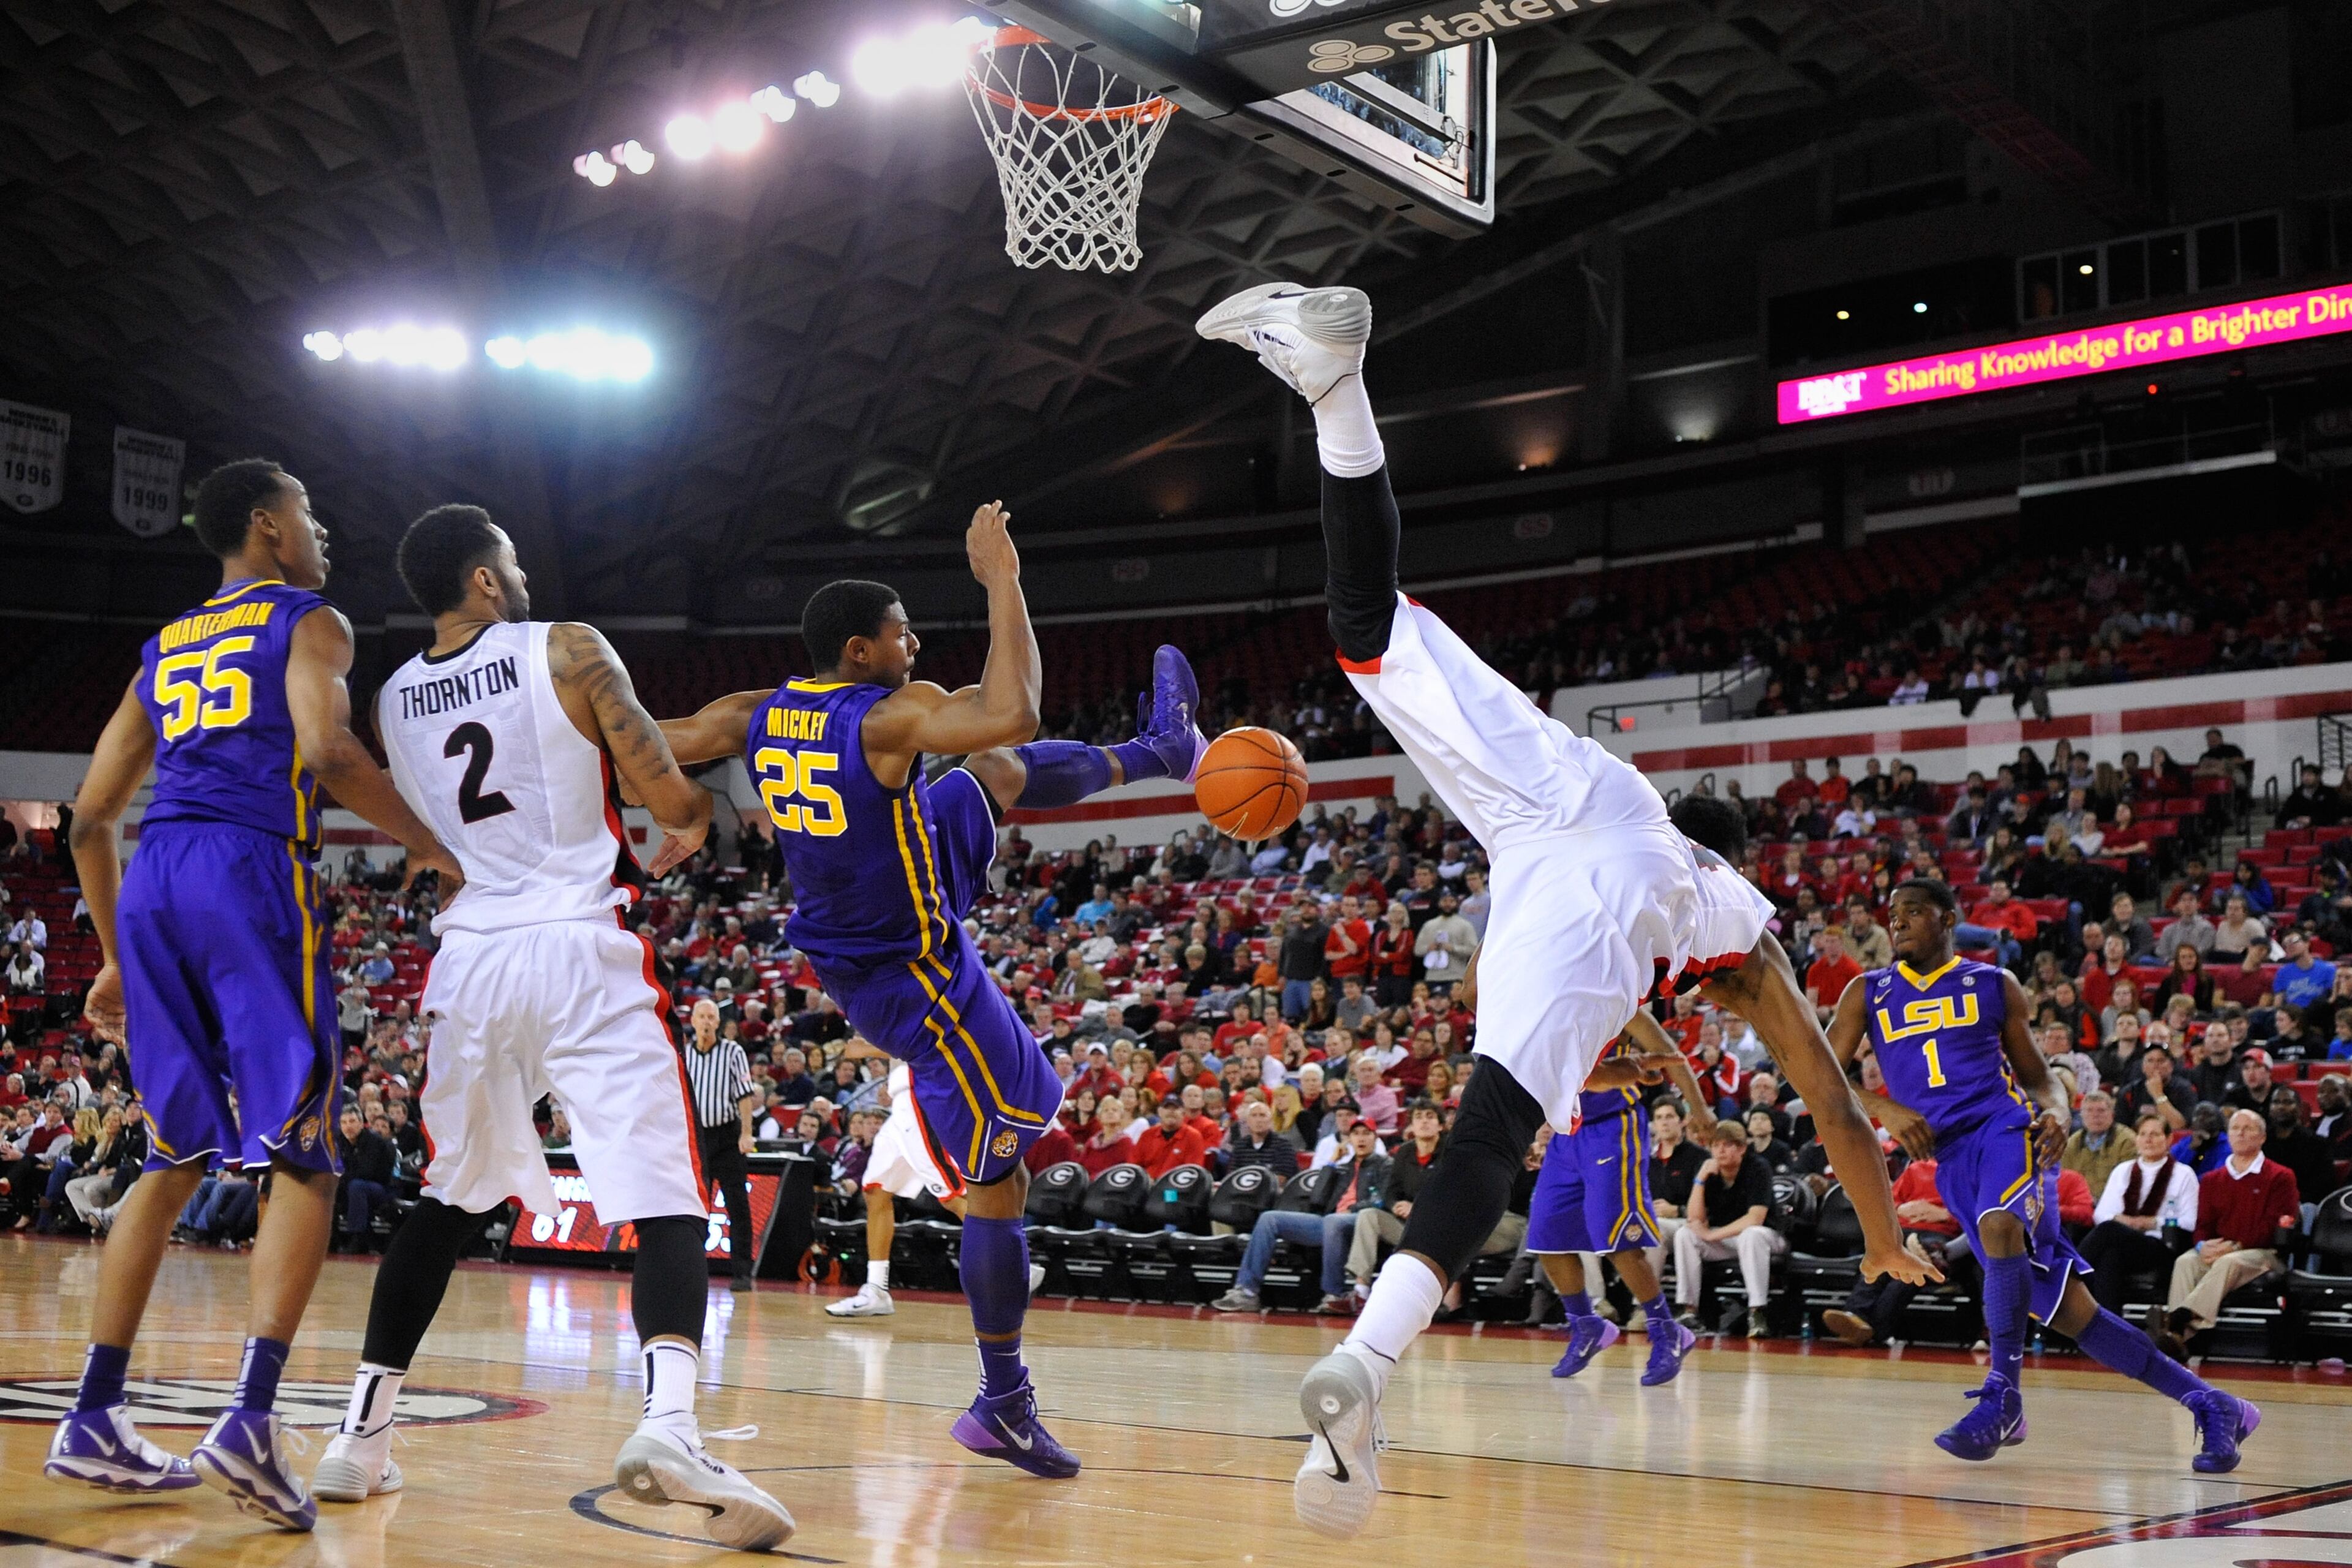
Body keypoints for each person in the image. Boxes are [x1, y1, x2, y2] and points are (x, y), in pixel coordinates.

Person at [1193, 280, 1930, 1538]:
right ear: (1734, 861)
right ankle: (1365, 1370)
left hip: (1553, 799)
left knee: (1365, 627)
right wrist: (1879, 1238)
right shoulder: (1727, 915)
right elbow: (1832, 1096)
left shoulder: (1634, 791)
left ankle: (1336, 388)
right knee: (1488, 1137)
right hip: (1591, 907)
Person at [651, 503, 1208, 1483]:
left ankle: (1165, 750)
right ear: (861, 651)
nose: (916, 643)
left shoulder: (752, 711)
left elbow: (653, 737)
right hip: (912, 975)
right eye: (904, 631)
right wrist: (1003, 580)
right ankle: (1003, 1401)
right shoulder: (884, 715)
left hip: (875, 914)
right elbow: (1017, 707)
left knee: (983, 774)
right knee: (1003, 1181)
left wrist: (679, 805)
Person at [311, 504, 791, 1548]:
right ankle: (670, 1423)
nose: (523, 576)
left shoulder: (394, 697)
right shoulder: (569, 647)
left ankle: (360, 1436)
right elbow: (658, 787)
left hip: (473, 958)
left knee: (446, 1200)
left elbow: (441, 822)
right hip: (578, 942)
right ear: (486, 581)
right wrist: (694, 816)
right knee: (668, 1194)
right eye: (513, 563)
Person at [47, 461, 462, 1524]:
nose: (323, 532)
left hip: (152, 882)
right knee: (305, 1154)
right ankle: (250, 1421)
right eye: (312, 515)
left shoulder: (164, 646)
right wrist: (435, 844)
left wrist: (108, 956)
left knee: (171, 1158)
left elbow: (89, 816)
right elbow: (325, 750)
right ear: (271, 529)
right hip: (248, 871)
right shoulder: (309, 619)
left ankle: (94, 1415)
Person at [1829, 879, 2261, 1472]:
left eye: (1913, 912)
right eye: (1892, 914)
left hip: (2007, 1129)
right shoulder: (1867, 991)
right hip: (1951, 1157)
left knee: (2001, 1222)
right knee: (2071, 1313)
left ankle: (2003, 1394)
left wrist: (2057, 1112)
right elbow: (1823, 1075)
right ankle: (2216, 1405)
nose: (1897, 923)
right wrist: (1883, 1105)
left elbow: (2038, 1077)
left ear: (1947, 918)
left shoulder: (1993, 983)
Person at [1537, 1014, 1716, 1384]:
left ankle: (1668, 1332)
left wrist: (1699, 1110)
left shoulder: (1625, 1008)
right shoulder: (1553, 1002)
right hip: (1566, 1132)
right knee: (1546, 1236)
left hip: (1614, 1129)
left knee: (1619, 1241)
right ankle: (1586, 1325)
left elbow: (1671, 1056)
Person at [2154, 1108, 2300, 1359]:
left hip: (2264, 1254)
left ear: (2262, 1137)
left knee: (2228, 1262)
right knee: (2186, 1261)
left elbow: (2273, 1228)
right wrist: (2202, 1246)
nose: (2241, 1134)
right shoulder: (2212, 1179)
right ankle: (2178, 1341)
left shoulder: (2280, 1177)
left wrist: (2235, 1246)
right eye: (2235, 1129)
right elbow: (2202, 1225)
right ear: (2228, 1136)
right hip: (2219, 1250)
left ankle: (2178, 1321)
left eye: (2248, 1129)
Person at [1212, 1117, 1390, 1314]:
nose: (1361, 1139)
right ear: (1349, 1140)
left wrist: (1353, 1209)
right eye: (1356, 1134)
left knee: (1334, 1221)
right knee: (1270, 1218)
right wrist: (1331, 1163)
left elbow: (1381, 1201)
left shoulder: (1386, 1165)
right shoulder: (1343, 1167)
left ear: (1375, 1138)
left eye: (1366, 1134)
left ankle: (1335, 1294)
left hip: (1361, 1223)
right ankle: (1246, 1291)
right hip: (1329, 1222)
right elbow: (1317, 1200)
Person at [2079, 1113, 2199, 1312]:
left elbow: (2189, 1222)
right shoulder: (2123, 1171)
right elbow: (2101, 1214)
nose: (2148, 1139)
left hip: (2160, 1245)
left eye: (2155, 1134)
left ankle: (2072, 1273)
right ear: (2136, 1139)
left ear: (2169, 1139)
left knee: (2110, 1229)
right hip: (2123, 1243)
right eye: (2143, 1134)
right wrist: (2126, 1221)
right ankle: (2110, 1332)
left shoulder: (2183, 1174)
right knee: (2111, 1257)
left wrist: (2152, 1222)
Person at [682, 997, 760, 1292]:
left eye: (711, 1017)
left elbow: (744, 1095)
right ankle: (693, 1269)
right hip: (698, 1139)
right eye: (701, 1016)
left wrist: (746, 1133)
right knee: (695, 1206)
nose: (706, 1022)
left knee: (737, 1205)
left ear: (718, 1022)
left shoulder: (733, 1051)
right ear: (692, 1021)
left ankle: (742, 1272)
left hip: (727, 1136)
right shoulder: (685, 1054)